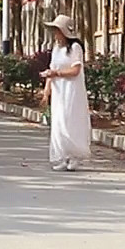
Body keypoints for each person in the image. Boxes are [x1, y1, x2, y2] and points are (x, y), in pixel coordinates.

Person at [40, 13, 91, 172]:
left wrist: (58, 74)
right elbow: (52, 69)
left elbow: (75, 70)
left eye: (57, 30)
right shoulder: (56, 49)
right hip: (58, 91)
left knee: (71, 120)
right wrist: (46, 91)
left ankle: (74, 156)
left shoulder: (75, 48)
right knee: (59, 122)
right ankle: (62, 155)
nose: (55, 34)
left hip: (72, 90)